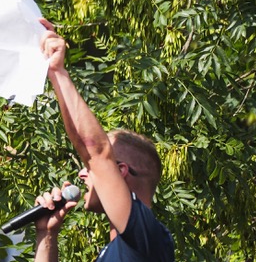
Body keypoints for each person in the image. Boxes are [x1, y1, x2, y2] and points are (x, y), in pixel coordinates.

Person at [32, 18, 175, 261]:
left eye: (89, 167)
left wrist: (57, 71)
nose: (82, 174)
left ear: (120, 172)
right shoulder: (115, 250)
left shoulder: (148, 238)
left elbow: (96, 151)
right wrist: (46, 234)